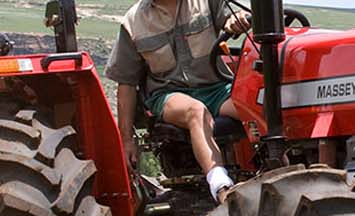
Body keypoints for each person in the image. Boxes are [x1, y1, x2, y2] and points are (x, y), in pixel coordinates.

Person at [106, 0, 251, 202]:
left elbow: (230, 19)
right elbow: (126, 84)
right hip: (168, 93)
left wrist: (234, 22)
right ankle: (221, 186)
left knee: (253, 107)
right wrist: (126, 139)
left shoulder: (206, 3)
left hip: (215, 87)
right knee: (196, 111)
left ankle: (280, 171)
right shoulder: (133, 21)